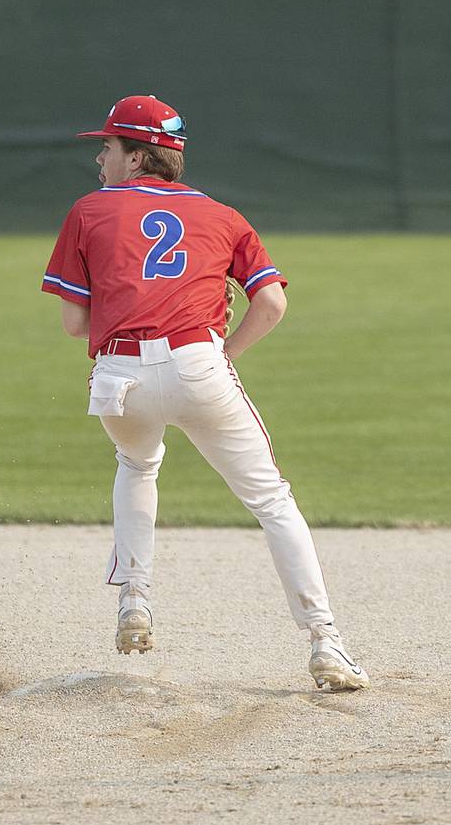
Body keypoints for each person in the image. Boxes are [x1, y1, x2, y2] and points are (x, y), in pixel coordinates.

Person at [41, 95, 367, 692]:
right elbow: (271, 304)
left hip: (120, 377)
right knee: (272, 503)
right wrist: (221, 355)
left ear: (139, 156)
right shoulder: (223, 215)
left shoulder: (89, 211)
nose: (100, 159)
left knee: (137, 465)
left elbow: (73, 323)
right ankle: (327, 643)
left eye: (108, 147)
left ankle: (135, 601)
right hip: (199, 363)